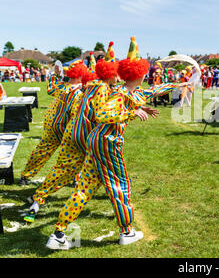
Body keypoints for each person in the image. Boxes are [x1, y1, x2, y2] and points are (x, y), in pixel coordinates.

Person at [45, 37, 188, 250]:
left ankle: (58, 234)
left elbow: (155, 91)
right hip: (107, 142)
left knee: (85, 188)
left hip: (96, 140)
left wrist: (180, 84)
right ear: (139, 73)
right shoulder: (120, 94)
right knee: (120, 186)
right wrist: (131, 112)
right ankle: (127, 232)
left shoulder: (128, 92)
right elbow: (103, 113)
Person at [24, 59, 118, 223]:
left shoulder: (76, 88)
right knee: (102, 171)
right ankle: (120, 209)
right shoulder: (89, 90)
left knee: (57, 164)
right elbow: (100, 113)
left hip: (64, 128)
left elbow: (51, 89)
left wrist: (55, 75)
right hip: (79, 133)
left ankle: (36, 194)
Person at [18, 61, 87, 186]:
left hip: (52, 123)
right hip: (66, 126)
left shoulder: (61, 87)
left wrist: (55, 75)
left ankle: (25, 176)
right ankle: (75, 178)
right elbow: (76, 114)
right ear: (80, 75)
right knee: (75, 152)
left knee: (42, 151)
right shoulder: (78, 93)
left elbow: (50, 88)